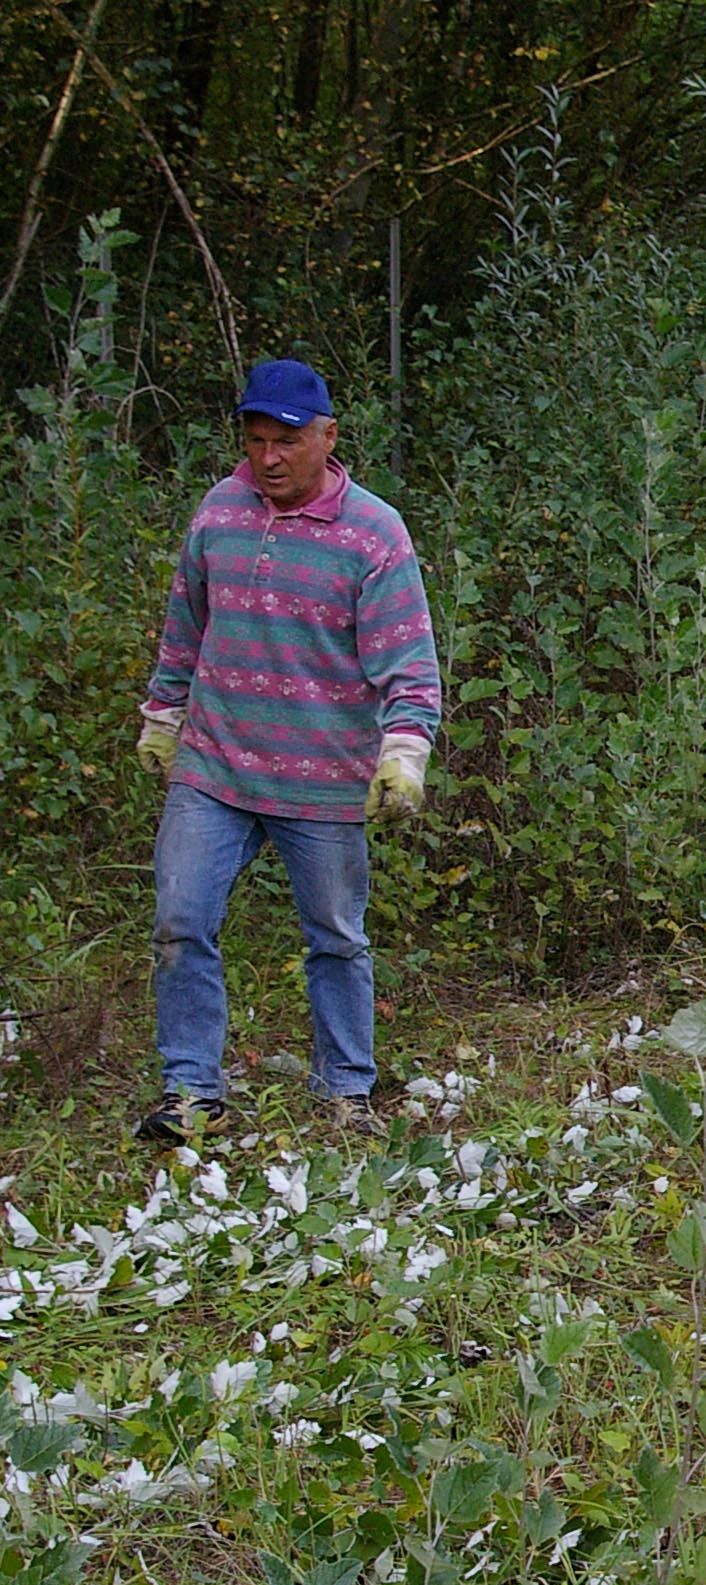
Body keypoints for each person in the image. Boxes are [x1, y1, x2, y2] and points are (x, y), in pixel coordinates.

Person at [133, 358, 441, 1142]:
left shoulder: (373, 533)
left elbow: (409, 664)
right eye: (255, 439)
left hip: (324, 779)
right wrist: (164, 716)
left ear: (328, 437)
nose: (267, 458)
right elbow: (184, 627)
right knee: (180, 918)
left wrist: (404, 754)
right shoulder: (219, 513)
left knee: (336, 935)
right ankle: (192, 1092)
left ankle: (345, 1090)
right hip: (216, 764)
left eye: (287, 441)